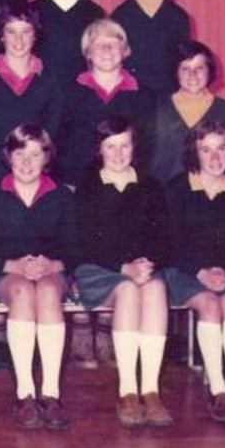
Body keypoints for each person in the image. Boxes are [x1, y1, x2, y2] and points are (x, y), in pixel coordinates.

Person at [72, 116, 172, 428]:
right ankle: (128, 389)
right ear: (99, 150)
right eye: (110, 147)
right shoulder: (88, 184)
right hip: (99, 268)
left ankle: (151, 390)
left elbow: (162, 235)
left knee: (155, 288)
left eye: (124, 145)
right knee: (129, 289)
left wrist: (148, 263)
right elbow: (83, 240)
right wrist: (124, 267)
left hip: (140, 267)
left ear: (134, 147)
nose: (117, 154)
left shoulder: (149, 183)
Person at [163, 120, 225, 425]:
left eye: (221, 149)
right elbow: (169, 241)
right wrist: (200, 271)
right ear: (194, 153)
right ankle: (218, 390)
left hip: (223, 269)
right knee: (209, 305)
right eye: (206, 150)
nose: (215, 157)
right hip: (184, 268)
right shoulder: (178, 188)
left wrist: (224, 270)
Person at [0, 124, 77, 431]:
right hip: (7, 273)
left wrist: (53, 264)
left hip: (51, 271)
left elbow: (77, 246)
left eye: (35, 154)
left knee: (48, 293)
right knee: (24, 292)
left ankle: (51, 394)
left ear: (47, 158)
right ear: (8, 156)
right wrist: (13, 266)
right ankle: (24, 393)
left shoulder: (62, 195)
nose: (27, 162)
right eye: (20, 153)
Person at [0, 0, 63, 187]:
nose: (19, 40)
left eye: (26, 31)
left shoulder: (48, 78)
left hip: (33, 174)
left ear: (35, 35)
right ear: (1, 35)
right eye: (11, 31)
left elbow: (52, 131)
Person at [57, 18, 154, 185]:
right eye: (98, 44)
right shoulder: (67, 92)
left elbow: (148, 146)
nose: (107, 49)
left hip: (126, 184)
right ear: (87, 53)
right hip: (77, 185)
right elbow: (58, 141)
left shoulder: (143, 95)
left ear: (125, 51)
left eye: (114, 44)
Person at [147, 39, 225, 185]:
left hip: (206, 195)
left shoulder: (223, 110)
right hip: (162, 193)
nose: (193, 75)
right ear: (176, 72)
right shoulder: (158, 107)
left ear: (209, 71)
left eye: (200, 68)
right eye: (185, 69)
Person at [110, 0, 193, 96]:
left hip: (169, 99)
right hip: (130, 99)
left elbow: (184, 63)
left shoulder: (179, 16)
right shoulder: (119, 15)